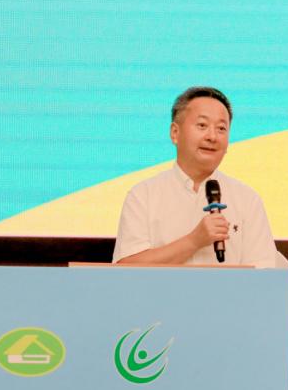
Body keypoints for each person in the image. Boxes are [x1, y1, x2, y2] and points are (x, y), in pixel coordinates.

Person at [112, 86, 277, 268]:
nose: (212, 136)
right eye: (202, 125)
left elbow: (264, 273)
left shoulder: (247, 199)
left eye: (221, 128)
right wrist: (194, 241)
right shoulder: (143, 195)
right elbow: (125, 269)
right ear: (175, 133)